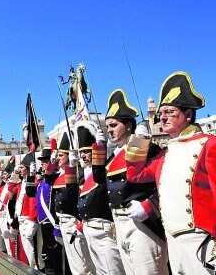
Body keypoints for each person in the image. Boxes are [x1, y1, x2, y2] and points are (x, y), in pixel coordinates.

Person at [126, 71, 216, 274]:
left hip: (202, 241)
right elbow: (135, 175)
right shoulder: (165, 155)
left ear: (188, 114)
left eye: (169, 112)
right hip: (173, 243)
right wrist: (139, 142)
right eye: (161, 113)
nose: (162, 118)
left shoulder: (209, 145)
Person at [95, 89, 168, 275]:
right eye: (108, 126)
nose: (109, 130)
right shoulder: (112, 158)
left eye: (113, 125)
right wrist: (99, 150)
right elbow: (98, 181)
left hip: (142, 224)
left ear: (128, 126)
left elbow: (165, 183)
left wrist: (149, 206)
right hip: (119, 224)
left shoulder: (147, 149)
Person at [74, 120, 125, 275]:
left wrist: (100, 146)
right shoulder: (83, 176)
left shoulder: (103, 170)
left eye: (88, 151)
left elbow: (100, 177)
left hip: (104, 232)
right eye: (81, 152)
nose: (84, 155)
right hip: (90, 231)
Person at [45, 131, 96, 275]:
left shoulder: (77, 174)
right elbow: (47, 179)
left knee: (83, 266)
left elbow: (76, 197)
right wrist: (53, 161)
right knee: (73, 264)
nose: (58, 158)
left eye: (61, 155)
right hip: (62, 222)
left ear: (69, 155)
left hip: (73, 221)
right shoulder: (59, 175)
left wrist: (80, 224)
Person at [37, 142, 69, 275]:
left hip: (53, 221)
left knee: (58, 257)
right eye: (43, 161)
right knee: (49, 255)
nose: (43, 163)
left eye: (46, 161)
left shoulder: (55, 177)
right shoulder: (44, 180)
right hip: (44, 222)